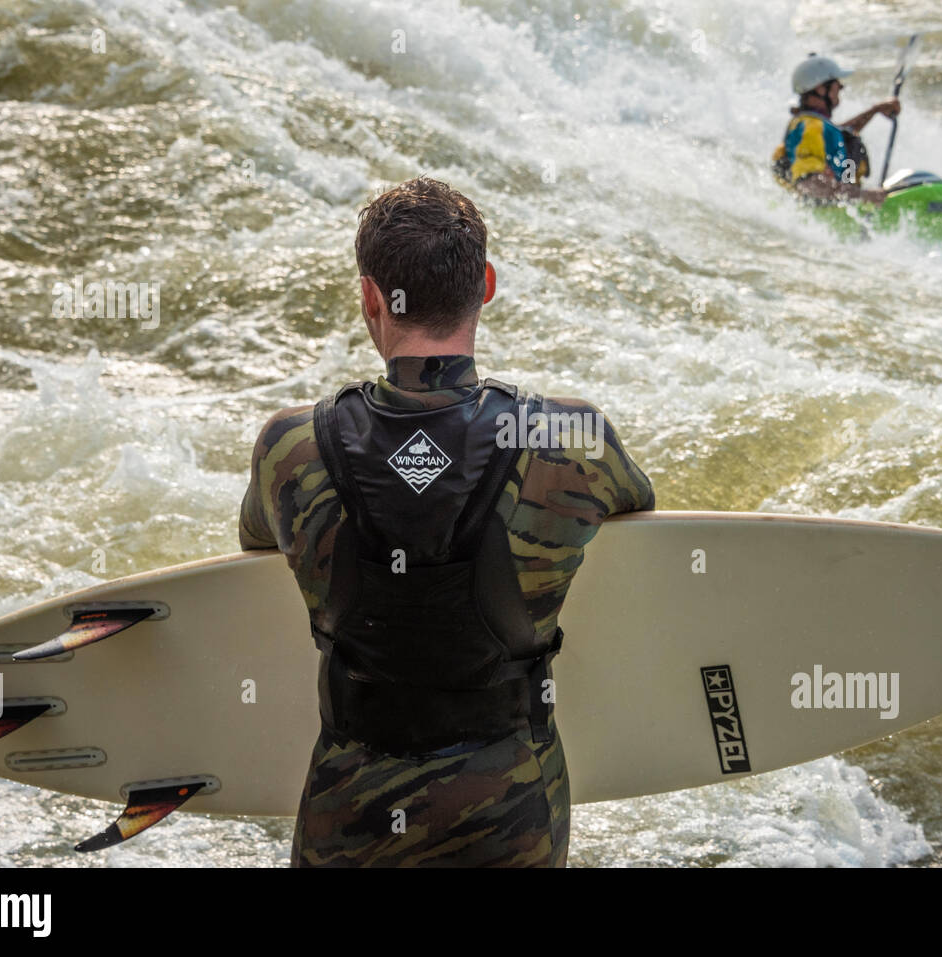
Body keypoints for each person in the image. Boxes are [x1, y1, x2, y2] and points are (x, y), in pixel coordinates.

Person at [238, 177, 655, 867]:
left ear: (371, 298)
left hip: (351, 815)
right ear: (485, 284)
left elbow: (257, 540)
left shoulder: (290, 447)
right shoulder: (572, 439)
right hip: (512, 811)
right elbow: (638, 508)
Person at [771, 53, 901, 204]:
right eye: (836, 84)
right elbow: (808, 184)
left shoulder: (813, 124)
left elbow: (843, 136)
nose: (841, 87)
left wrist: (875, 110)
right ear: (820, 89)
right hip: (827, 211)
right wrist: (864, 196)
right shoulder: (810, 128)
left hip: (835, 206)